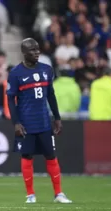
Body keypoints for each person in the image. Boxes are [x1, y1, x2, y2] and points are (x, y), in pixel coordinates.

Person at [6, 38, 72, 204]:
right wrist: (16, 123)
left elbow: (51, 95)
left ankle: (58, 193)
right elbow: (10, 99)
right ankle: (30, 195)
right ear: (24, 52)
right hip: (26, 124)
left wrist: (57, 118)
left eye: (37, 49)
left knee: (51, 156)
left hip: (43, 122)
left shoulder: (47, 70)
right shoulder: (15, 73)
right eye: (32, 50)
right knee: (27, 157)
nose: (37, 52)